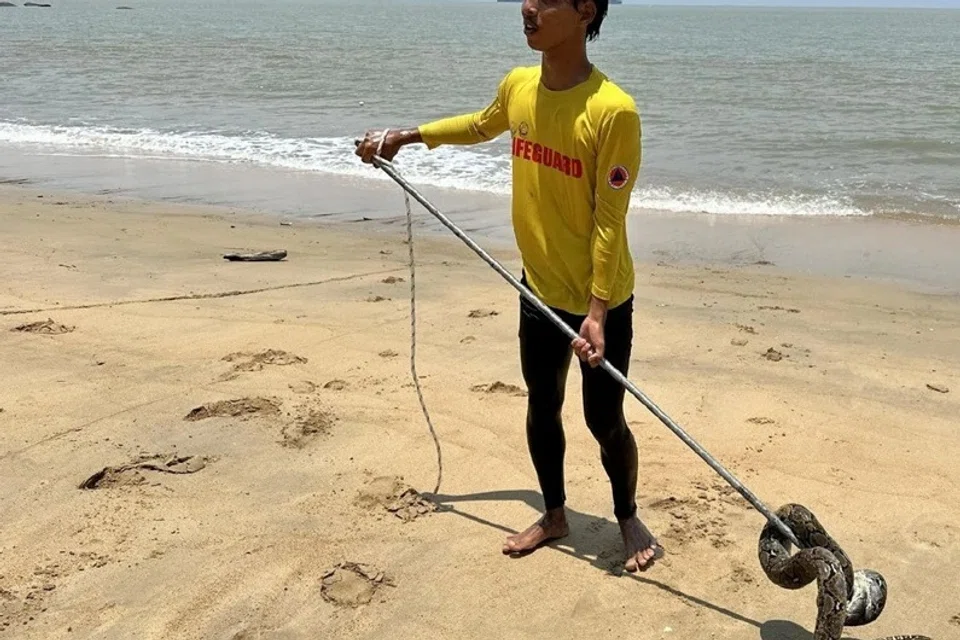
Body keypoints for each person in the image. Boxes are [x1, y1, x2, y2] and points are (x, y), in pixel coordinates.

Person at [355, 0, 660, 572]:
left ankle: (625, 514)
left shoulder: (613, 111)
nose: (527, 6)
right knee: (542, 405)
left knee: (604, 420)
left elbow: (608, 222)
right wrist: (406, 136)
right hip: (538, 289)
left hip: (601, 301)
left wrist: (596, 311)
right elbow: (479, 124)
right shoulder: (520, 85)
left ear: (584, 11)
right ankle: (554, 513)